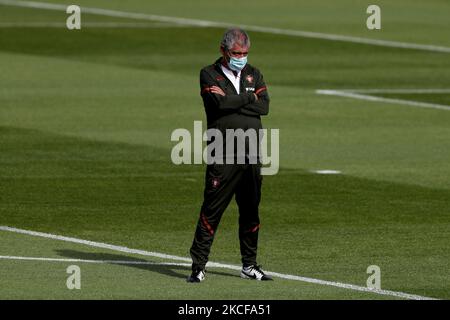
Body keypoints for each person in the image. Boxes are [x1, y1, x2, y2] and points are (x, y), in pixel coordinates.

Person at [187, 28, 272, 282]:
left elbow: (264, 106)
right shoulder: (208, 73)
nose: (241, 57)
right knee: (212, 210)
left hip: (251, 153)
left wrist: (237, 100)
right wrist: (248, 98)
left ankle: (249, 265)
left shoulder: (253, 73)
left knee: (251, 212)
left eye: (245, 53)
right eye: (236, 53)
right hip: (223, 153)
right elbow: (219, 106)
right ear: (223, 51)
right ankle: (198, 266)